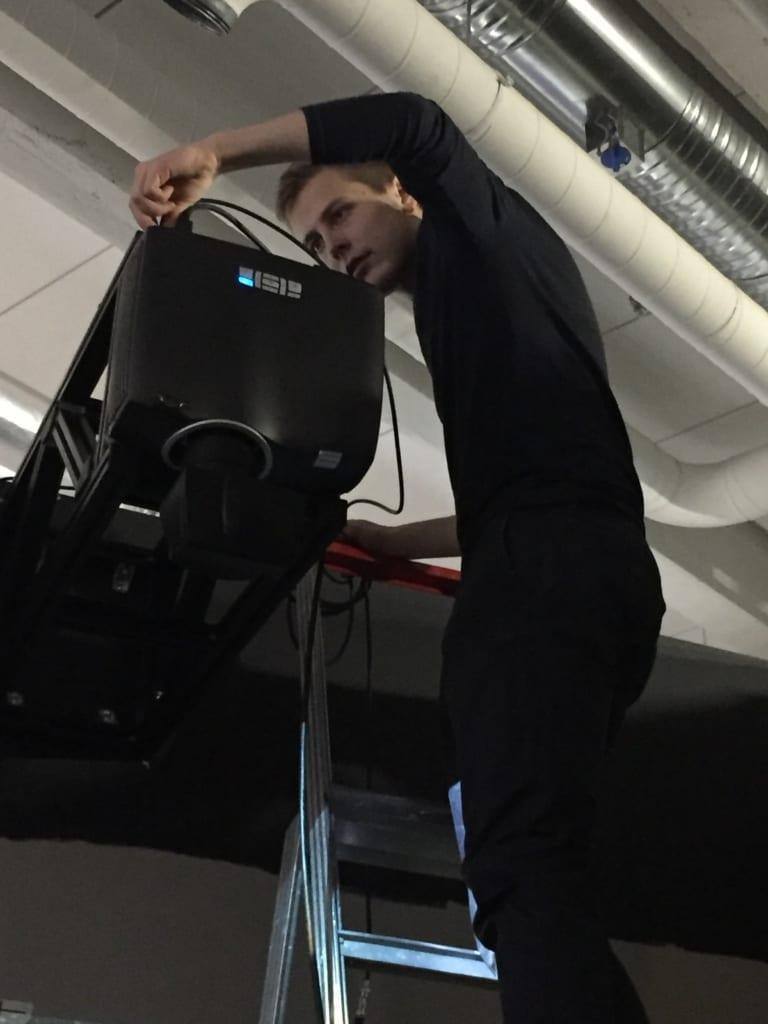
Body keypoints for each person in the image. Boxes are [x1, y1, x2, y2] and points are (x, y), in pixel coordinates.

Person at [130, 90, 666, 1022]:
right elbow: (535, 484)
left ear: (406, 195)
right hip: (588, 563)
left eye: (341, 214)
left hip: (543, 571)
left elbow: (416, 121)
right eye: (318, 242)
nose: (334, 247)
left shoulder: (478, 237)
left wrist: (214, 148)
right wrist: (391, 541)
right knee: (536, 875)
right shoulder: (481, 308)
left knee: (518, 872)